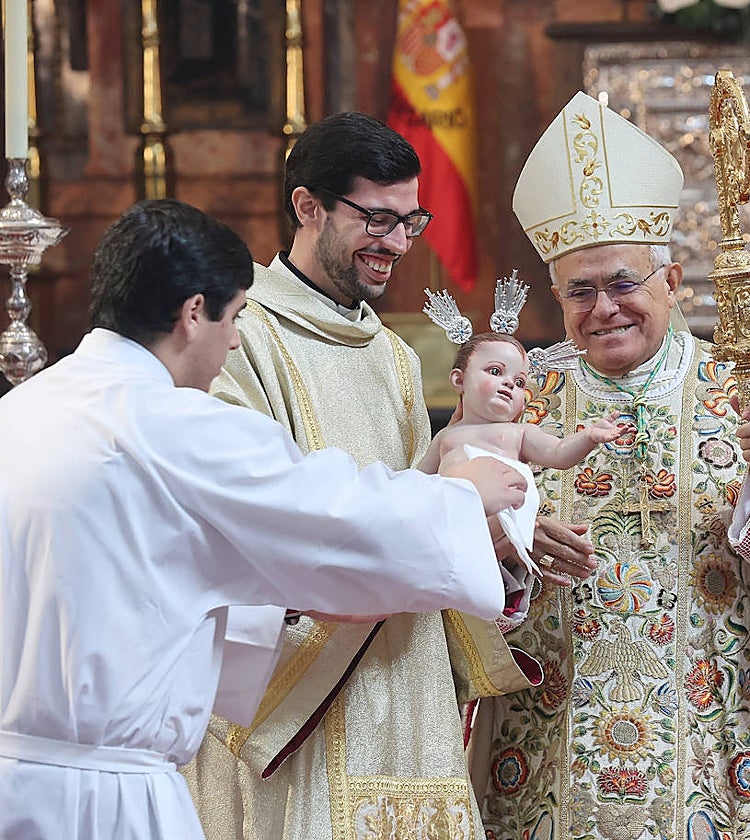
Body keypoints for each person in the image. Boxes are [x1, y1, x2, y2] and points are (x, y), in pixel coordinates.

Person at [0, 199, 526, 840]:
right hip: (109, 800)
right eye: (237, 316)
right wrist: (461, 496)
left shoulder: (23, 409)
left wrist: (272, 595)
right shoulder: (177, 427)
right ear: (195, 313)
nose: (237, 339)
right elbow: (335, 521)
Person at [474, 91, 750, 840]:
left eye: (623, 284)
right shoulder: (517, 405)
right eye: (580, 291)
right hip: (546, 751)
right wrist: (502, 548)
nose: (604, 309)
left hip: (716, 747)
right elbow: (443, 559)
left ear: (673, 283)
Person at [184, 113, 547, 839]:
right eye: (377, 219)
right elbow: (245, 524)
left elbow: (432, 499)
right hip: (299, 696)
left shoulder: (394, 357)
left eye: (411, 220)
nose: (399, 244)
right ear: (307, 206)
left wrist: (499, 540)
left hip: (408, 689)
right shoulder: (242, 338)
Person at [416, 332, 622, 476]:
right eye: (495, 371)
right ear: (459, 380)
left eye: (520, 382)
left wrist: (589, 436)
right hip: (452, 526)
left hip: (499, 526)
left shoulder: (519, 433)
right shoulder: (446, 436)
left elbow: (559, 453)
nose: (509, 383)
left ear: (523, 403)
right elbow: (417, 483)